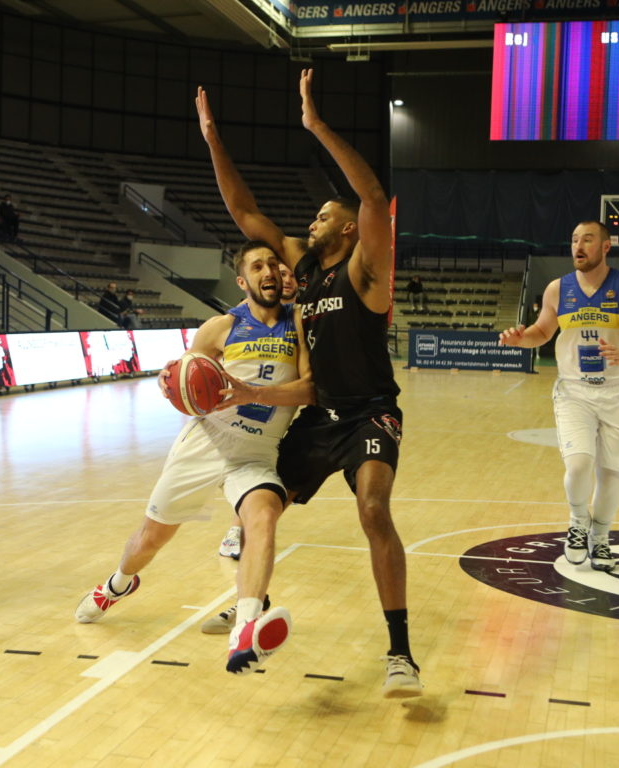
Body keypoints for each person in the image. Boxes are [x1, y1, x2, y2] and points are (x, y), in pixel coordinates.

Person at [197, 70, 422, 697]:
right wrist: (214, 141)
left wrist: (316, 125)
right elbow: (246, 213)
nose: (312, 222)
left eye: (324, 216)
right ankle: (252, 607)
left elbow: (372, 196)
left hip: (371, 412)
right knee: (257, 511)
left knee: (373, 510)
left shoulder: (366, 269)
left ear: (348, 229)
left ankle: (401, 654)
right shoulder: (306, 270)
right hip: (320, 416)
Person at [75, 241, 313, 674]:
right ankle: (118, 584)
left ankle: (246, 630)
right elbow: (184, 379)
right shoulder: (219, 328)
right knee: (149, 540)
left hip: (256, 454)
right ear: (242, 281)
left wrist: (253, 394)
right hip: (206, 445)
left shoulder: (298, 323)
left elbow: (312, 389)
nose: (269, 272)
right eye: (257, 267)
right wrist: (170, 382)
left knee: (263, 518)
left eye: (273, 264)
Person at [499, 221, 619, 572]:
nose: (578, 246)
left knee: (610, 472)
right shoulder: (558, 288)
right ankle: (577, 522)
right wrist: (520, 339)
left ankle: (600, 537)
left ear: (605, 247)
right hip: (574, 390)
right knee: (579, 464)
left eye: (587, 239)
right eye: (574, 240)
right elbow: (542, 331)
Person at [217, 260, 301, 561]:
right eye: (281, 274)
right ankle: (236, 531)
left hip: (284, 406)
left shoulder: (301, 317)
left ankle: (249, 527)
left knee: (279, 476)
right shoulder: (245, 313)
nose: (285, 279)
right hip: (243, 411)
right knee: (256, 475)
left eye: (291, 275)